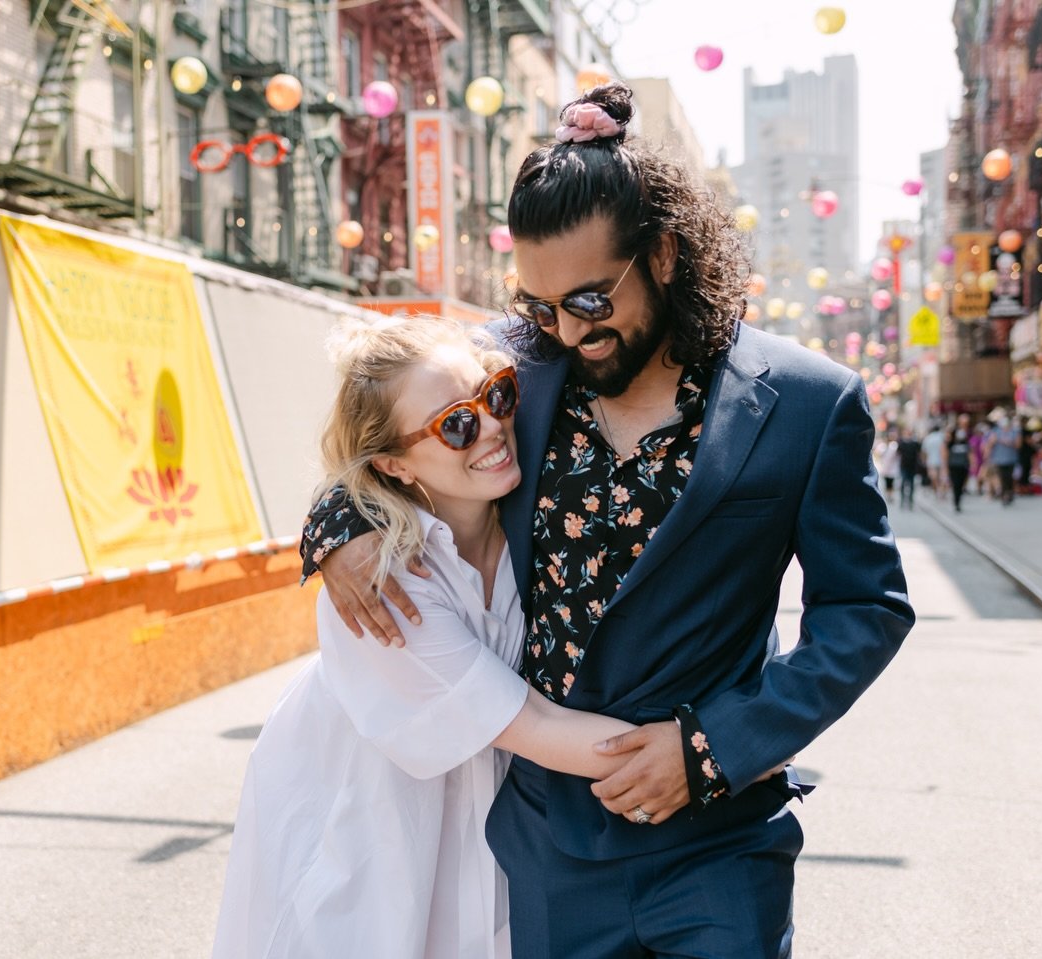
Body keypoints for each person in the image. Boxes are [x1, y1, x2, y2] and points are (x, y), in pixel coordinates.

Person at [299, 83, 913, 957]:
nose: (566, 332)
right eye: (541, 307)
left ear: (662, 254)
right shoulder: (515, 367)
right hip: (550, 845)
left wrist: (712, 748)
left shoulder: (811, 403)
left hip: (720, 843)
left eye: (590, 301)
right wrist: (338, 518)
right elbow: (391, 416)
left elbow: (866, 610)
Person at [213, 317, 655, 957]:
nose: (492, 428)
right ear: (392, 462)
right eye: (455, 425)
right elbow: (530, 723)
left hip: (489, 842)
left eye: (497, 394)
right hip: (367, 843)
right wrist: (712, 755)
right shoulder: (386, 580)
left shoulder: (532, 530)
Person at [987, 414, 1020, 505]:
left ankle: (1010, 492)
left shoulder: (1014, 432)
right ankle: (1004, 495)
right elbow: (990, 444)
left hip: (1011, 459)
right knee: (1002, 477)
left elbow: (1018, 445)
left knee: (1009, 477)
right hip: (999, 459)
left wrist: (1010, 443)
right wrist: (988, 456)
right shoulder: (996, 431)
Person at [945, 413, 973, 513]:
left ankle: (958, 500)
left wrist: (972, 462)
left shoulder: (969, 434)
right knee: (956, 484)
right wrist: (945, 465)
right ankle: (956, 502)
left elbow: (970, 450)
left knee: (962, 484)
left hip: (963, 464)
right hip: (954, 464)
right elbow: (946, 448)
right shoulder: (952, 432)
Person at [898, 429, 923, 510]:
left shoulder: (915, 443)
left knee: (911, 484)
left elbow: (919, 454)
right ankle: (903, 500)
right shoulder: (902, 443)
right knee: (904, 483)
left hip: (912, 466)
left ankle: (910, 501)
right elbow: (898, 453)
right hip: (904, 466)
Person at [922, 420, 946, 499]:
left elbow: (924, 451)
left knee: (934, 477)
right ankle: (941, 491)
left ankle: (937, 491)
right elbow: (945, 449)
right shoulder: (942, 436)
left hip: (931, 460)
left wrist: (924, 460)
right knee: (941, 477)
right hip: (941, 460)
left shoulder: (928, 438)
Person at [876, 431, 900, 503]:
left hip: (888, 468)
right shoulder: (890, 445)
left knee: (889, 483)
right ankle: (889, 495)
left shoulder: (892, 446)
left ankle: (889, 495)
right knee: (889, 483)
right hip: (889, 468)